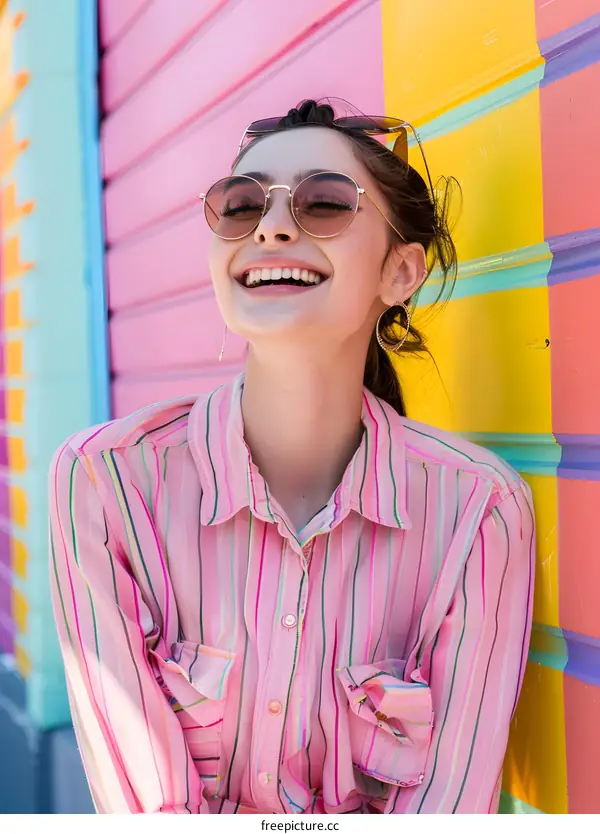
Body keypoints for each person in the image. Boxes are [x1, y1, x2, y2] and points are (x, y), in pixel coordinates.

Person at [49, 99, 535, 814]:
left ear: (400, 274)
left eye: (326, 203)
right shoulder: (104, 483)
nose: (272, 225)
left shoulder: (478, 511)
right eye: (242, 206)